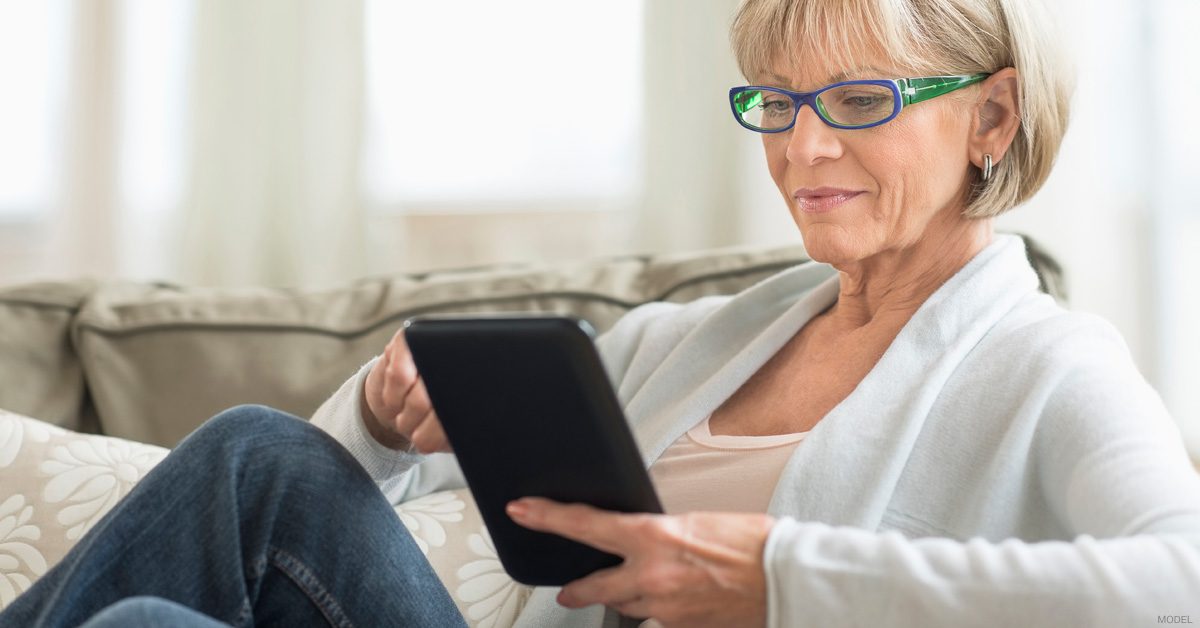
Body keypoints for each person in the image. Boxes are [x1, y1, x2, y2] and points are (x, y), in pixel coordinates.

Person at [5, 0, 1200, 625]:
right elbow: (381, 508)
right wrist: (380, 416)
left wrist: (791, 581)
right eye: (776, 103)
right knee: (255, 464)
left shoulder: (1050, 364)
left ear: (991, 119)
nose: (805, 145)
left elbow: (1180, 583)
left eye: (860, 98)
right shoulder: (692, 340)